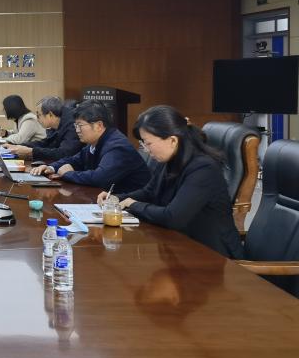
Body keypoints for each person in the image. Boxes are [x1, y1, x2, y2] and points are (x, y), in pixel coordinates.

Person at [96, 105, 243, 259]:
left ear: (172, 140)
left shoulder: (204, 169)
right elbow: (149, 192)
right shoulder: (170, 160)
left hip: (215, 257)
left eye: (148, 143)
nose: (146, 150)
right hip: (182, 247)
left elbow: (173, 217)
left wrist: (132, 204)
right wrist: (116, 198)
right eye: (143, 144)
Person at [31, 99, 150, 192]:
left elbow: (99, 178)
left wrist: (67, 174)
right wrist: (51, 168)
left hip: (131, 206)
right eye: (75, 125)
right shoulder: (96, 141)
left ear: (99, 126)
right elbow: (75, 160)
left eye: (80, 125)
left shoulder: (117, 146)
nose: (77, 130)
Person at [6, 96, 82, 162]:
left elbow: (64, 153)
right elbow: (46, 143)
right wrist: (18, 146)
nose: (37, 119)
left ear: (50, 115)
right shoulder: (57, 122)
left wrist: (32, 152)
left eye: (39, 115)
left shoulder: (72, 124)